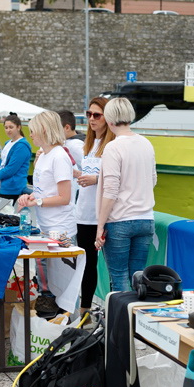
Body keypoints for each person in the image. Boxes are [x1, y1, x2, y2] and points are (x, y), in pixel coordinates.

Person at [17, 110, 77, 315]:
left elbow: (64, 197)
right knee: (49, 278)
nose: (30, 135)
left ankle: (70, 322)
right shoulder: (43, 156)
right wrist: (30, 197)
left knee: (65, 283)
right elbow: (43, 190)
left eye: (33, 130)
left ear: (43, 130)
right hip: (46, 226)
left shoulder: (59, 156)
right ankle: (54, 318)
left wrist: (38, 201)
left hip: (62, 228)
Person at [95, 97, 157, 292]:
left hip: (120, 220)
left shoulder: (113, 147)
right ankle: (136, 312)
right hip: (145, 218)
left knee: (119, 278)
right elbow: (153, 180)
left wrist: (100, 225)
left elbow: (111, 191)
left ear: (109, 119)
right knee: (138, 277)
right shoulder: (146, 144)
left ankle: (121, 313)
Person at [74, 97, 109, 317]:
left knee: (109, 266)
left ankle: (115, 313)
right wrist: (78, 174)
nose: (91, 119)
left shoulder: (112, 145)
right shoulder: (89, 144)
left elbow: (116, 178)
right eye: (89, 114)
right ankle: (85, 311)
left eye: (97, 115)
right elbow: (87, 173)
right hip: (84, 212)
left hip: (103, 214)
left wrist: (95, 179)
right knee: (87, 264)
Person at [0, 114, 31, 214]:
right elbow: (0, 167)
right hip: (2, 188)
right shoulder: (8, 143)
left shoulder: (22, 146)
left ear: (18, 127)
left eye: (11, 127)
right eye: (6, 127)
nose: (8, 130)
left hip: (13, 189)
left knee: (6, 218)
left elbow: (10, 169)